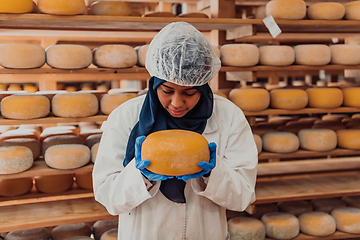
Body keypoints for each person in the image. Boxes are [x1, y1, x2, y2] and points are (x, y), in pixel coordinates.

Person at [93, 22, 258, 240]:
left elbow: (243, 196)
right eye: (167, 90)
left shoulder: (228, 116)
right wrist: (139, 175)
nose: (176, 103)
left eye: (189, 93)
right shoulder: (125, 117)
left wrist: (212, 174)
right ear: (154, 84)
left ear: (203, 85)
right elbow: (108, 197)